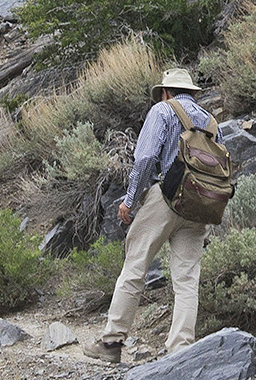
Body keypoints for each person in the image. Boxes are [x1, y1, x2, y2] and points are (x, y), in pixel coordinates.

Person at [84, 69, 221, 362]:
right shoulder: (210, 121)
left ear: (166, 92)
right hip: (199, 204)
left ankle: (111, 343)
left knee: (135, 267)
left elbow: (146, 158)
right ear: (193, 93)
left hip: (166, 196)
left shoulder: (162, 110)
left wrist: (130, 200)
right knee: (186, 279)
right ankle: (180, 348)